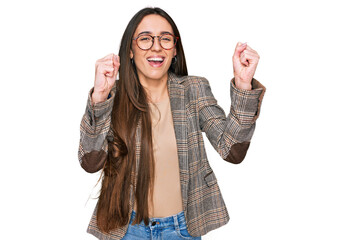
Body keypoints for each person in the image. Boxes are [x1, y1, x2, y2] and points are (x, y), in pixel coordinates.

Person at [78, 7, 266, 240]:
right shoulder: (111, 96)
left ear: (175, 49)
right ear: (130, 50)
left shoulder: (194, 90)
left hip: (182, 229)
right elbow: (90, 162)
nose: (156, 46)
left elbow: (232, 151)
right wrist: (99, 98)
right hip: (127, 229)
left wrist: (243, 85)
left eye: (165, 39)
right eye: (145, 39)